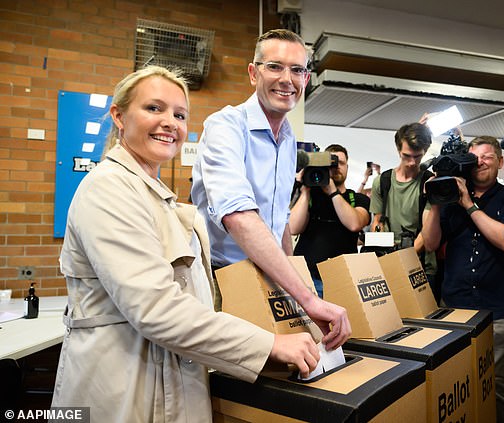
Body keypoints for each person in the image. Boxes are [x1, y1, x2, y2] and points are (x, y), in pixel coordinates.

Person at [51, 66, 320, 422]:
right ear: (118, 115)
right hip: (123, 393)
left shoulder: (158, 200)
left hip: (167, 383)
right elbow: (157, 309)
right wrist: (268, 345)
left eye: (179, 115)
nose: (169, 122)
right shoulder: (108, 190)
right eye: (154, 109)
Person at [191, 29, 351, 350]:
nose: (287, 79)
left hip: (268, 277)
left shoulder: (289, 138)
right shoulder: (225, 126)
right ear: (253, 73)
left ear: (306, 79)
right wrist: (307, 298)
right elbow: (239, 217)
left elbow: (278, 223)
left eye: (297, 70)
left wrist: (293, 284)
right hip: (222, 279)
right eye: (275, 66)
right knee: (230, 389)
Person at [422, 136, 504, 423]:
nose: (480, 162)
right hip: (455, 305)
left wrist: (468, 203)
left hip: (499, 309)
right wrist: (436, 201)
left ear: (500, 162)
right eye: (474, 157)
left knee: (497, 385)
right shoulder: (449, 199)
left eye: (488, 157)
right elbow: (430, 243)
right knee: (455, 382)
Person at [290, 144, 371, 297]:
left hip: (342, 279)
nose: (336, 167)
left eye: (340, 163)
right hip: (308, 279)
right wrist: (307, 189)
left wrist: (332, 191)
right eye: (331, 163)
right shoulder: (310, 197)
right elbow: (293, 228)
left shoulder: (357, 199)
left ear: (347, 166)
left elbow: (355, 224)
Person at [369, 122, 436, 278]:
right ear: (399, 150)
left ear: (425, 152)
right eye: (407, 156)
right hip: (387, 263)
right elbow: (377, 221)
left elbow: (427, 231)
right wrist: (383, 247)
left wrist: (403, 258)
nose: (412, 162)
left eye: (417, 156)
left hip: (421, 266)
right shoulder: (382, 181)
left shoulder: (430, 183)